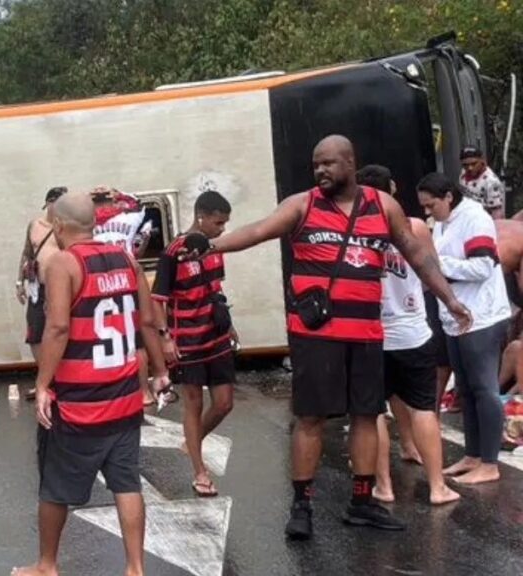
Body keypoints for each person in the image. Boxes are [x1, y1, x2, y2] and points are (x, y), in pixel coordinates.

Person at [196, 135, 470, 540]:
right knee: (311, 418)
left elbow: (417, 254)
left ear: (350, 162)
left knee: (366, 415)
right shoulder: (302, 205)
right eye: (315, 165)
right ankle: (301, 505)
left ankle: (362, 502)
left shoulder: (382, 205)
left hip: (367, 333)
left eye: (328, 163)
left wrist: (449, 299)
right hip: (317, 334)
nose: (320, 170)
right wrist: (211, 246)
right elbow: (258, 230)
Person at [13, 191, 170, 576]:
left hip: (80, 402)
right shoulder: (127, 259)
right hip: (124, 396)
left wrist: (43, 384)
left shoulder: (64, 263)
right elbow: (147, 321)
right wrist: (160, 371)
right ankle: (135, 567)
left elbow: (58, 327)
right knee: (126, 483)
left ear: (59, 225)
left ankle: (46, 565)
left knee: (55, 486)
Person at [355, 165, 460, 505]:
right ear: (393, 188)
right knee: (423, 409)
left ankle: (384, 486)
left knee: (373, 413)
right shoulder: (414, 227)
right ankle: (437, 486)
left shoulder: (354, 230)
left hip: (370, 334)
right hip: (412, 330)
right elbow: (432, 272)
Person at [418, 172, 510, 485]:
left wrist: (438, 266)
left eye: (431, 205)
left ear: (448, 197)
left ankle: (490, 463)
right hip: (455, 317)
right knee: (465, 390)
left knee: (484, 389)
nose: (428, 212)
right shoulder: (444, 221)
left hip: (481, 316)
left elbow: (483, 266)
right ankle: (472, 455)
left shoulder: (475, 219)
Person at [152, 190, 237, 497]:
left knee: (224, 403)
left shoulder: (215, 249)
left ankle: (193, 440)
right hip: (187, 339)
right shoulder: (173, 252)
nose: (222, 229)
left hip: (216, 335)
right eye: (218, 222)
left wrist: (230, 325)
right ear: (201, 217)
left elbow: (216, 289)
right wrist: (165, 338)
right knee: (193, 403)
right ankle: (200, 472)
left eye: (225, 223)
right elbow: (158, 299)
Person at [92, 187, 157, 406]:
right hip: (124, 279)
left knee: (114, 338)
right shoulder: (129, 217)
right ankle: (143, 392)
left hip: (102, 282)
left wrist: (100, 196)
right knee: (133, 339)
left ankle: (132, 391)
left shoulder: (87, 224)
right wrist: (117, 194)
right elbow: (137, 202)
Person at [16, 187, 67, 399]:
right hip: (38, 286)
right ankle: (46, 378)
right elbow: (27, 254)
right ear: (49, 204)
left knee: (60, 330)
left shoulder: (66, 226)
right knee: (35, 333)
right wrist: (19, 281)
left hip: (60, 287)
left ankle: (62, 380)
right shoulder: (34, 225)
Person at [459, 147, 505, 219]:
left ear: (482, 160)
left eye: (474, 164)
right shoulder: (464, 172)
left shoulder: (491, 182)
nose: (470, 168)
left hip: (483, 220)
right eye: (465, 165)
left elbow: (497, 212)